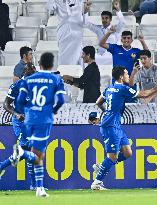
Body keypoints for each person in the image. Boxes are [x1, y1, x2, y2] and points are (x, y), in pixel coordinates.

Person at [90, 66, 157, 190]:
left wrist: (107, 112)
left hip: (115, 125)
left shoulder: (109, 88)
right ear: (121, 77)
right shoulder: (122, 88)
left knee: (127, 152)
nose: (128, 76)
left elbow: (98, 102)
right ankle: (97, 183)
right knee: (112, 156)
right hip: (110, 126)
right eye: (126, 74)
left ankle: (103, 166)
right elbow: (144, 94)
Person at [16, 52, 65, 197]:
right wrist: (53, 110)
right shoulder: (55, 79)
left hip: (29, 120)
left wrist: (27, 110)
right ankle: (21, 154)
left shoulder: (28, 80)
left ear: (40, 64)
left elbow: (19, 101)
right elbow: (61, 100)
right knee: (39, 154)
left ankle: (39, 188)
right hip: (44, 120)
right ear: (52, 65)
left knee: (36, 152)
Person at [0, 63, 38, 191]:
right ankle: (34, 184)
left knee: (26, 152)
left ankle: (33, 185)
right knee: (27, 151)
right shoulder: (16, 86)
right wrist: (16, 114)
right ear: (25, 72)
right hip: (20, 123)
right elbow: (6, 104)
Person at [47, 0, 91, 65]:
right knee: (64, 61)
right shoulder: (58, 1)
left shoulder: (81, 1)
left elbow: (85, 23)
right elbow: (50, 7)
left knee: (78, 60)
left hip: (77, 35)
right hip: (63, 34)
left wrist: (85, 12)